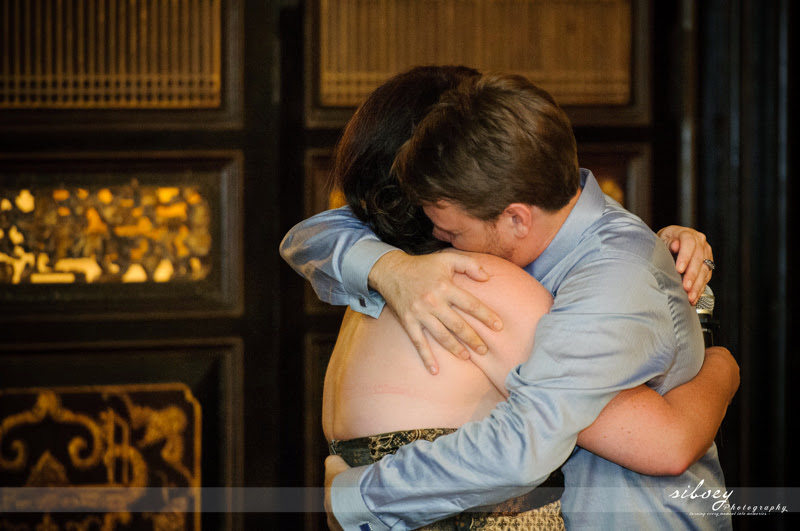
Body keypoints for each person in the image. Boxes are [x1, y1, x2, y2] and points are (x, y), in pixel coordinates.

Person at [281, 67, 734, 529]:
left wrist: (721, 366)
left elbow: (656, 442)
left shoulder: (601, 273)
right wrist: (388, 269)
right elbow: (310, 235)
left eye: (451, 226)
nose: (442, 234)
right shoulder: (435, 263)